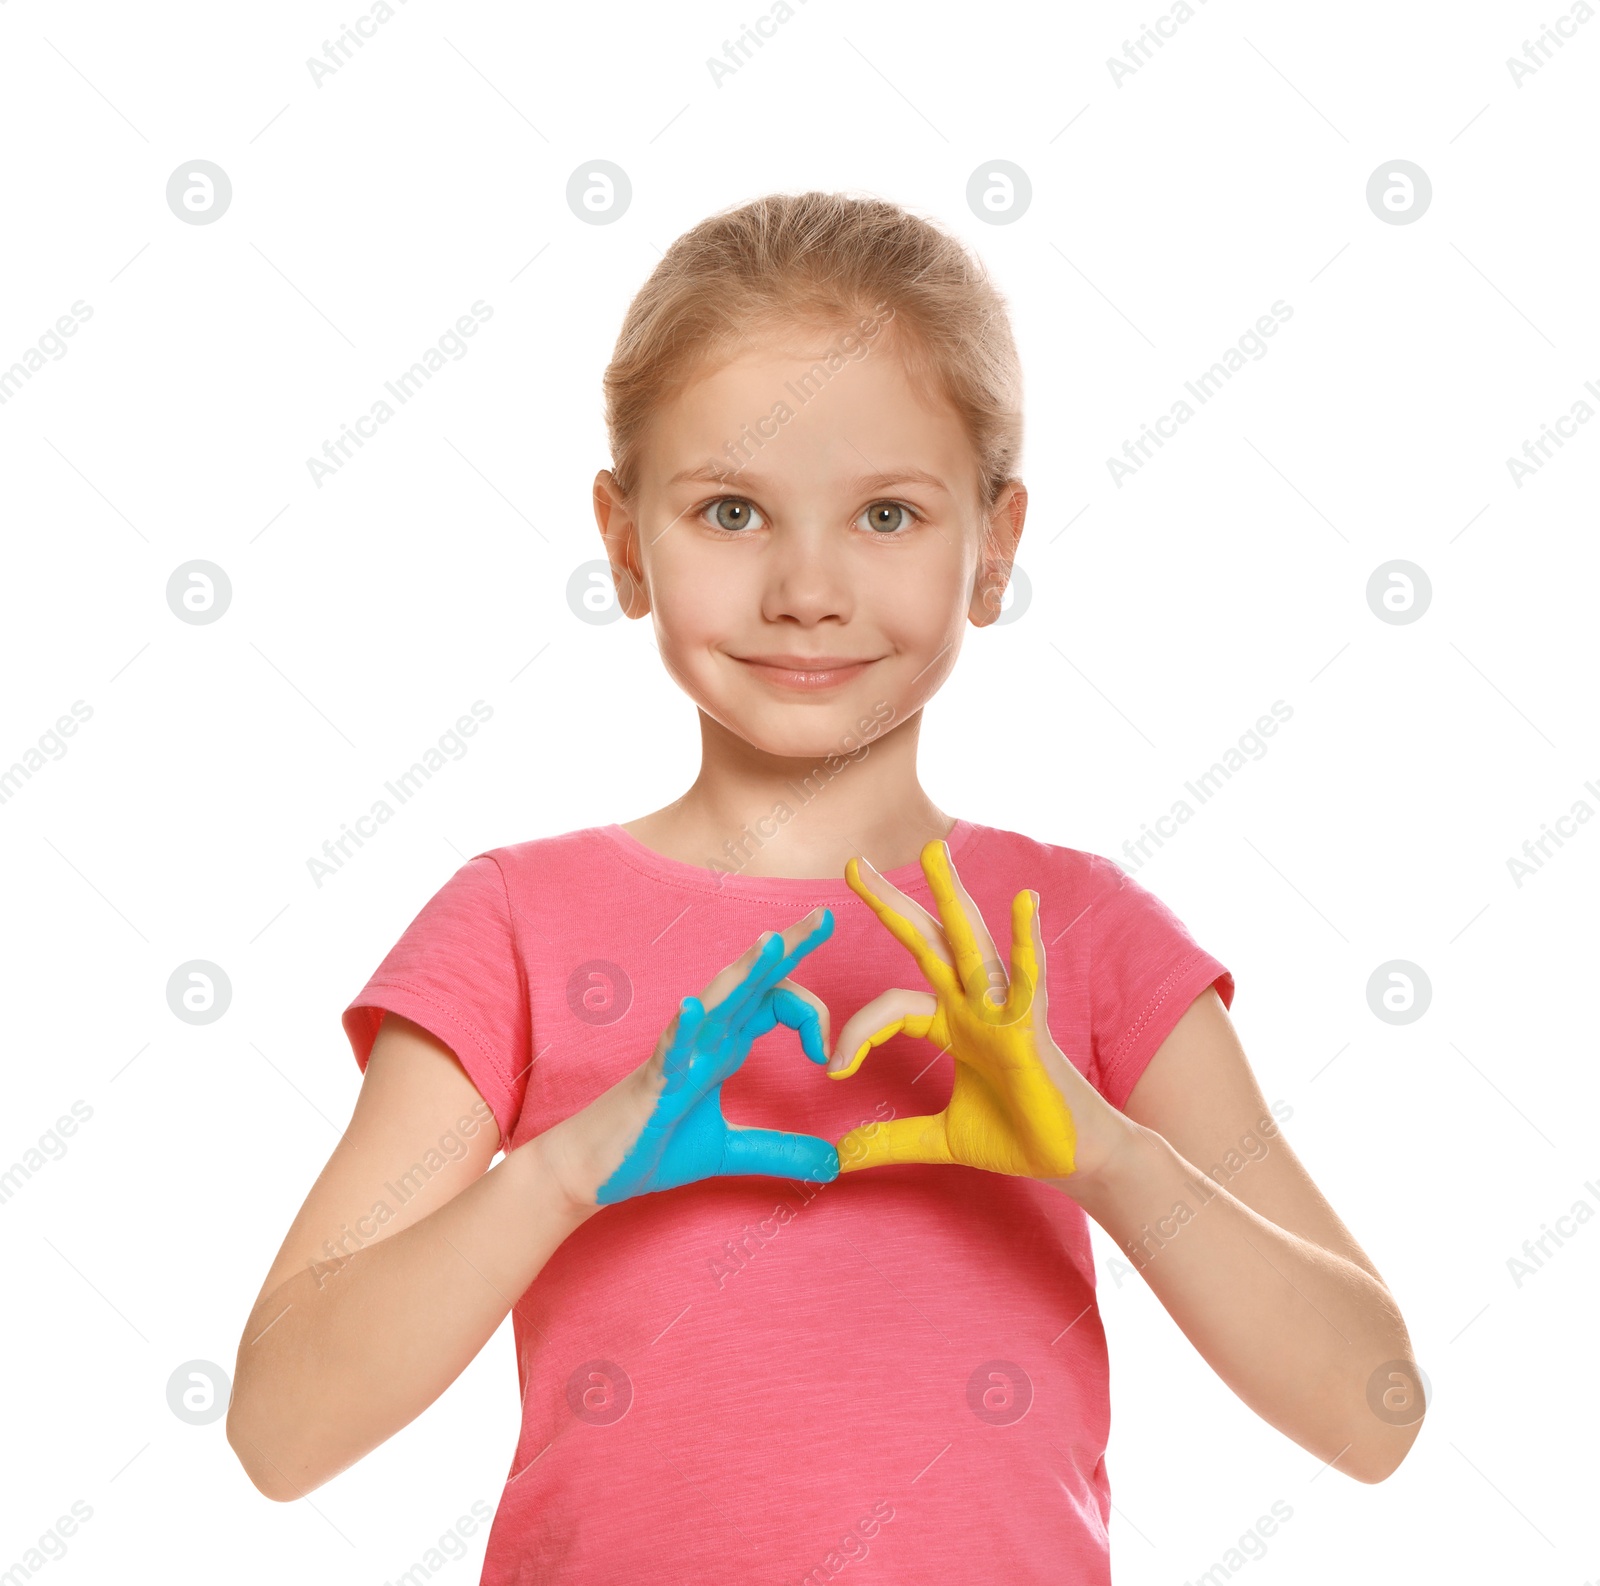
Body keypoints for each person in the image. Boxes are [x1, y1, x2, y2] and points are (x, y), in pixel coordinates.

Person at [226, 191, 1421, 1583]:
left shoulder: (1078, 938)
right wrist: (564, 1166)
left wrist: (1108, 1152)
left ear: (995, 542)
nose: (805, 585)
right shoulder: (512, 927)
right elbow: (278, 1428)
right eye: (731, 509)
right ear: (622, 539)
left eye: (887, 513)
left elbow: (1374, 1409)